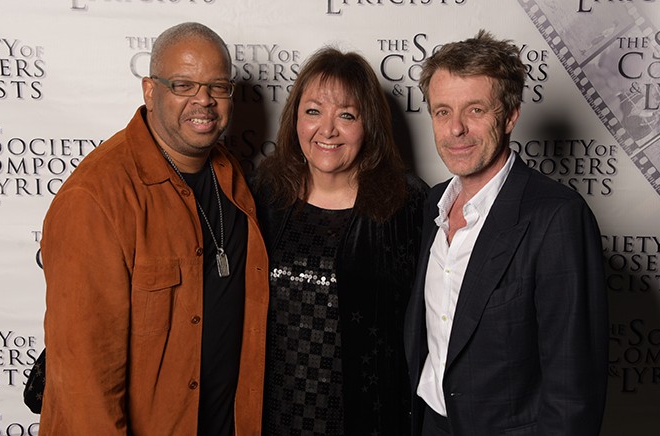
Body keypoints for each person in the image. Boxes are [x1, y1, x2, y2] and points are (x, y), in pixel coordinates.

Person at [38, 22, 269, 435]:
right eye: (183, 85)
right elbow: (83, 387)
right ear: (149, 90)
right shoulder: (96, 198)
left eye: (218, 87)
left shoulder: (230, 176)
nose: (204, 101)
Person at [403, 30, 608, 436]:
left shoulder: (557, 218)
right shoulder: (433, 204)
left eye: (475, 110)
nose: (455, 128)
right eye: (442, 111)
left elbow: (572, 389)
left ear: (511, 114)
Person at [251, 47, 428, 435]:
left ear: (370, 125)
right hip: (272, 412)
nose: (327, 130)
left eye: (346, 115)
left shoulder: (407, 204)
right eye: (313, 111)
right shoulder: (262, 194)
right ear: (295, 117)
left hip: (368, 416)